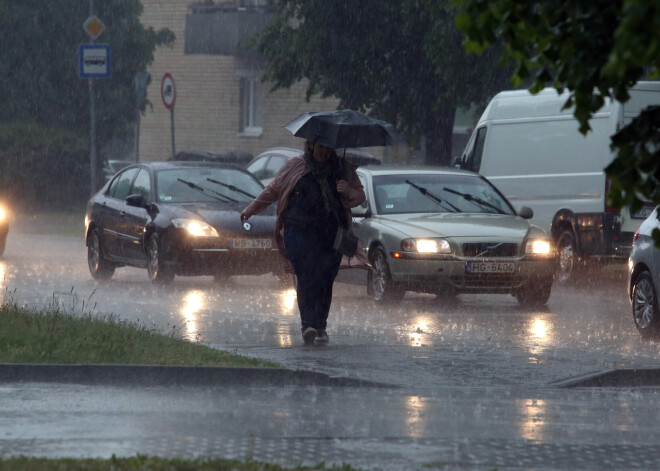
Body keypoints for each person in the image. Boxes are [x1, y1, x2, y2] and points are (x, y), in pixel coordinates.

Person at [240, 139, 366, 345]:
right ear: (311, 146)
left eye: (328, 147)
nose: (324, 151)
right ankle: (308, 324)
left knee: (325, 279)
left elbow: (359, 195)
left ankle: (321, 326)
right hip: (298, 231)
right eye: (320, 146)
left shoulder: (343, 169)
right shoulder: (295, 166)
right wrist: (251, 210)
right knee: (306, 275)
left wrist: (348, 191)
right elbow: (273, 189)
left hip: (331, 233)